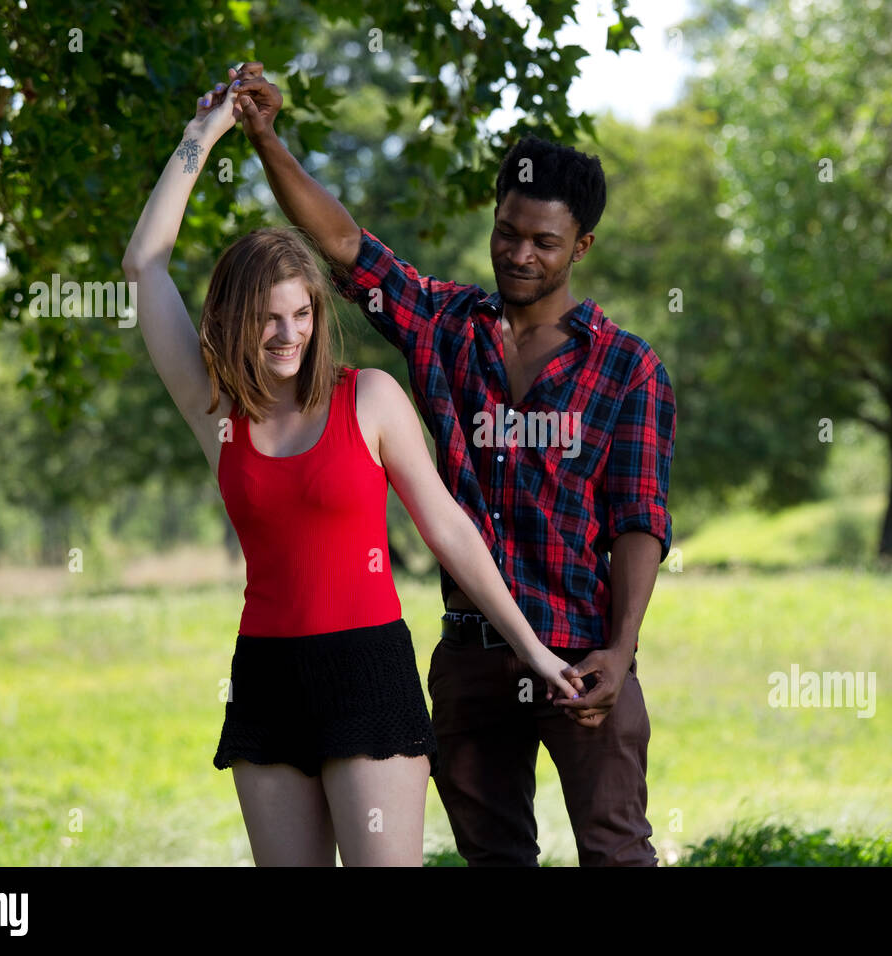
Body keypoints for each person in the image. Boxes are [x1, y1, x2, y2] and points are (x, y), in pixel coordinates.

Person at [220, 62, 676, 866]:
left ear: (583, 246)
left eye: (544, 241)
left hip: (580, 657)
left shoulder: (627, 369)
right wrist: (264, 138)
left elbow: (640, 521)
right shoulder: (446, 327)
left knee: (616, 852)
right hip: (469, 658)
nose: (520, 253)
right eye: (508, 231)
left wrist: (621, 646)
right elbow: (344, 246)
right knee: (492, 857)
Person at [120, 77, 585, 867]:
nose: (288, 334)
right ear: (234, 320)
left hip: (367, 671)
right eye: (268, 317)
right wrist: (205, 133)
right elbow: (142, 264)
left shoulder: (369, 399)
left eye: (302, 314)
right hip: (266, 676)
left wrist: (534, 649)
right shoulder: (218, 412)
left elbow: (447, 528)